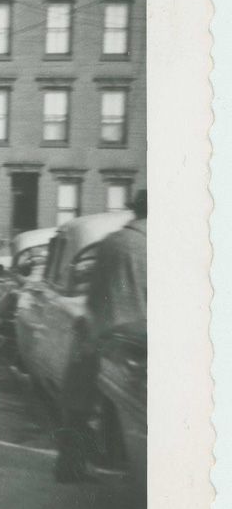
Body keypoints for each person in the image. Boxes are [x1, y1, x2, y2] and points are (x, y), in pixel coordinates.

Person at [55, 190, 147, 483]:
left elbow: (96, 293)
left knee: (79, 407)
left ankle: (71, 466)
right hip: (133, 343)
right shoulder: (156, 245)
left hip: (96, 335)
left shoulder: (112, 242)